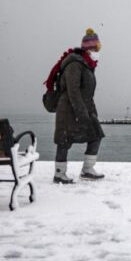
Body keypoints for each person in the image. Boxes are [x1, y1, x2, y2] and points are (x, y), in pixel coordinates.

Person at [48, 28, 106, 184]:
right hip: (68, 109)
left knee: (96, 135)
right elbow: (73, 91)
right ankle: (59, 174)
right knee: (64, 140)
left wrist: (92, 112)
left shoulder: (87, 65)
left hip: (83, 108)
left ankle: (87, 170)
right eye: (96, 48)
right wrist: (82, 114)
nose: (98, 51)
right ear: (89, 48)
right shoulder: (75, 64)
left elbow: (87, 92)